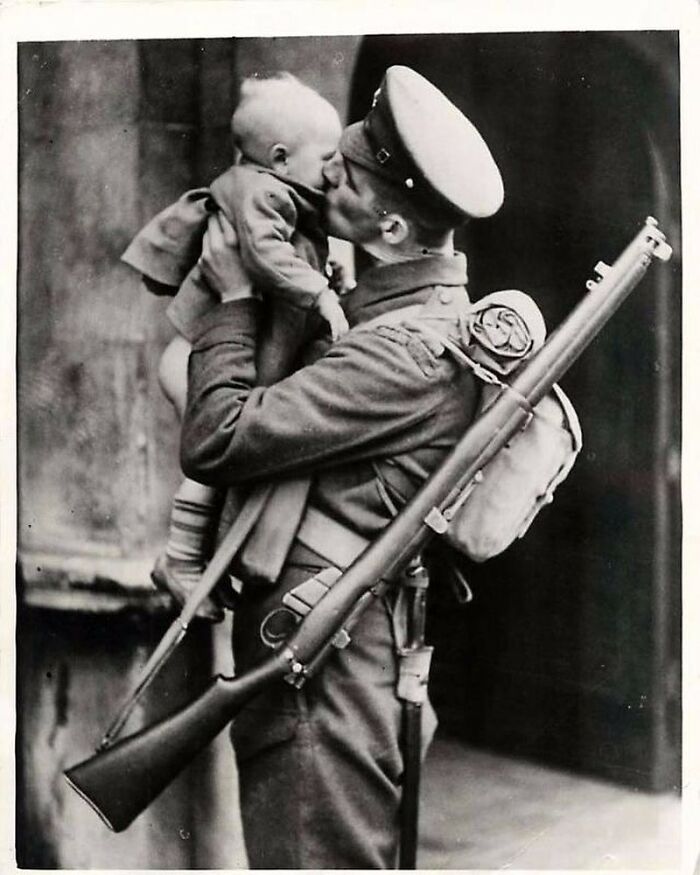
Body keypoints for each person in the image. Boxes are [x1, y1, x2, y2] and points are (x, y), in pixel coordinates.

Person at [181, 65, 510, 868]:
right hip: (323, 652)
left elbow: (219, 437)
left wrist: (233, 299)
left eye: (348, 174)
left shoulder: (405, 354)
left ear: (391, 228)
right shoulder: (397, 318)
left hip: (322, 674)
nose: (325, 172)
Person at [121, 73, 346, 617]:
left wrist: (325, 267)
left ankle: (206, 563)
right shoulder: (260, 194)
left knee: (233, 460)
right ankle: (179, 561)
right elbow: (268, 257)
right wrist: (319, 293)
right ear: (280, 158)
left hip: (212, 357)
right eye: (327, 158)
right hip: (194, 359)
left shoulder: (284, 193)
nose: (336, 170)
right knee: (220, 458)